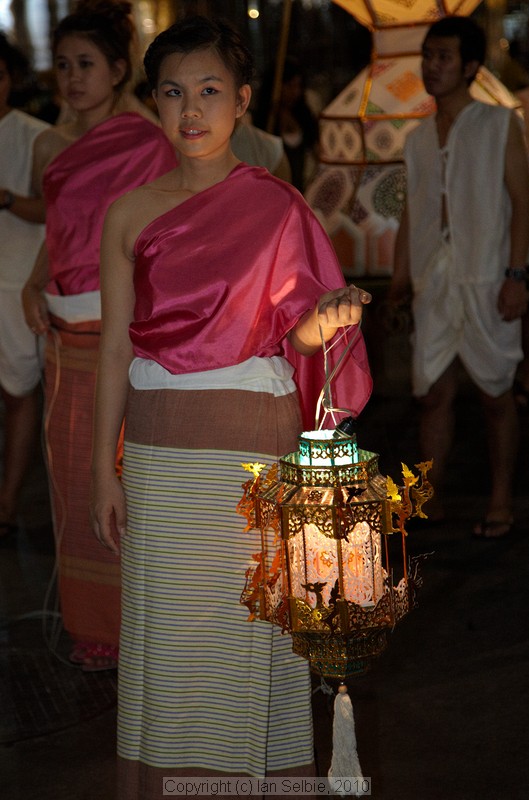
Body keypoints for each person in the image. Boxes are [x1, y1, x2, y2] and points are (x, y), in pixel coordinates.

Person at [90, 15, 372, 796]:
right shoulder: (129, 213)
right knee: (166, 642)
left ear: (243, 101)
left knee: (252, 643)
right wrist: (100, 472)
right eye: (174, 91)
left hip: (250, 451)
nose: (192, 108)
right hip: (155, 456)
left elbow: (302, 332)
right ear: (152, 100)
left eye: (210, 90)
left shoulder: (279, 208)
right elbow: (115, 351)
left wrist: (335, 311)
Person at [21, 0, 177, 670]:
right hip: (62, 333)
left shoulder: (150, 142)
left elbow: (158, 242)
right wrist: (33, 282)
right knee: (73, 484)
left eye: (85, 65)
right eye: (62, 66)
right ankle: (94, 629)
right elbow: (60, 234)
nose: (71, 78)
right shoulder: (51, 145)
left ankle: (142, 624)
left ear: (118, 70)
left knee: (126, 479)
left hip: (121, 336)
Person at [389, 15, 529, 538]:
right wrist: (399, 282)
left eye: (443, 57)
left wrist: (517, 275)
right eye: (428, 56)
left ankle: (499, 500)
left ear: (470, 66)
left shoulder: (499, 125)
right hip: (434, 279)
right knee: (432, 394)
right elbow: (412, 216)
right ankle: (431, 501)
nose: (432, 66)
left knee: (496, 394)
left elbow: (522, 205)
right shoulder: (417, 138)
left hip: (487, 277)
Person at [0, 34, 49, 539]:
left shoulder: (35, 136)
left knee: (18, 392)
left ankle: (8, 503)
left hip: (15, 279)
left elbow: (56, 214)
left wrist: (8, 200)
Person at [253, 55, 319, 192]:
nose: (295, 92)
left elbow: (318, 151)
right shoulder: (264, 118)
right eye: (290, 86)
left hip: (304, 189)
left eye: (298, 86)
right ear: (277, 86)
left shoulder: (304, 115)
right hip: (276, 191)